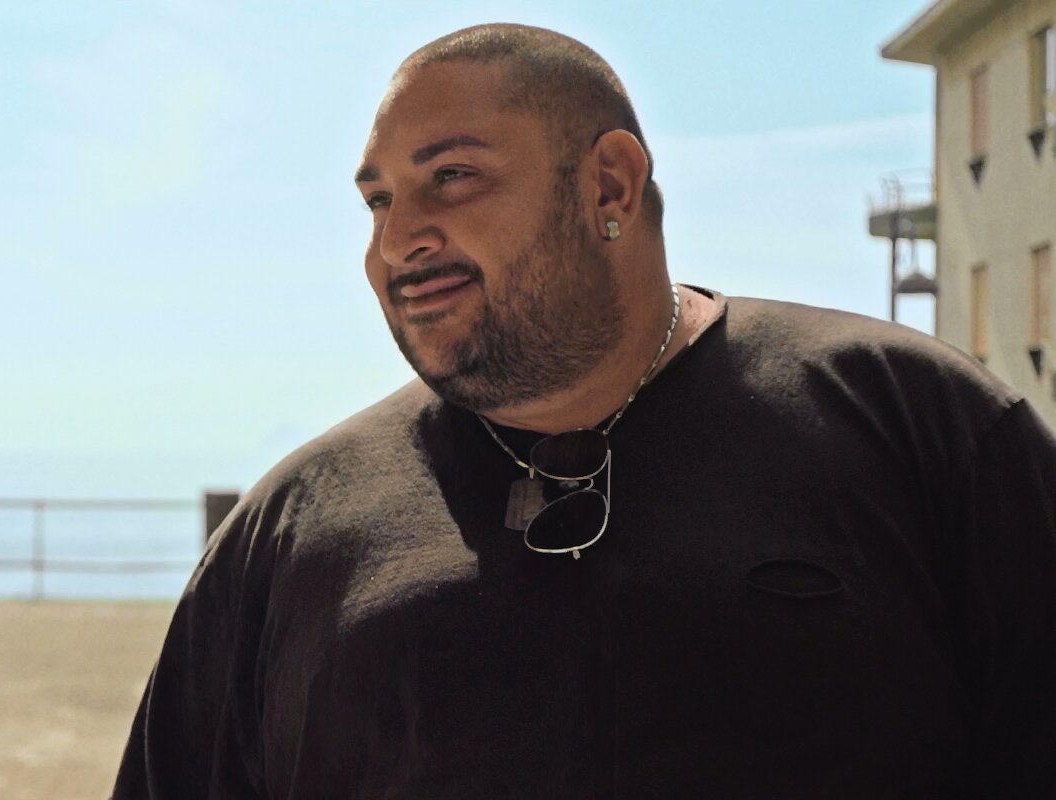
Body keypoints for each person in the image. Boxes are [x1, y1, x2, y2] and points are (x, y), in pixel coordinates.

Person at [114, 23, 1056, 799]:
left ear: (610, 184)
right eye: (378, 201)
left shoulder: (917, 425)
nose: (397, 241)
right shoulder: (289, 530)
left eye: (451, 177)